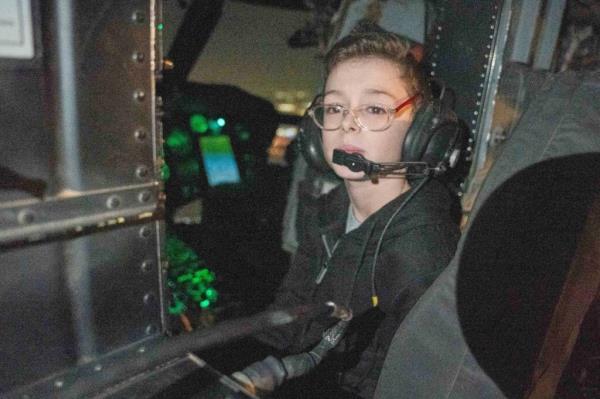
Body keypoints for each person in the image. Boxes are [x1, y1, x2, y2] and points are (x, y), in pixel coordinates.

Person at [236, 23, 461, 399]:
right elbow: (289, 310)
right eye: (335, 107)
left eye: (374, 109)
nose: (347, 124)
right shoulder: (329, 210)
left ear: (422, 130)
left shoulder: (422, 252)